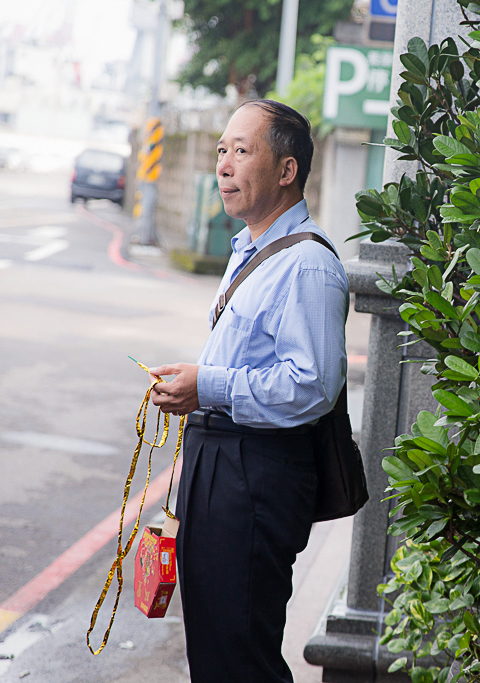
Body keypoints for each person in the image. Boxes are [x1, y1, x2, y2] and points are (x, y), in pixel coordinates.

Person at [148, 99, 348, 683]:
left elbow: (312, 385)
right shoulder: (251, 247)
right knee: (216, 650)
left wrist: (205, 384)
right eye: (221, 151)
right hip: (221, 466)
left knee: (240, 659)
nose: (224, 165)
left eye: (243, 150)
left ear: (286, 171)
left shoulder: (307, 263)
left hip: (254, 473)